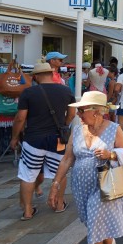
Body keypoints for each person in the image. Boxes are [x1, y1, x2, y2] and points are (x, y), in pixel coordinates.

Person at [48, 91, 123, 244]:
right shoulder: (77, 130)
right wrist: (55, 185)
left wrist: (111, 154)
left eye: (82, 110)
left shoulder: (115, 129)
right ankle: (108, 243)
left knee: (95, 217)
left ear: (97, 112)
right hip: (82, 185)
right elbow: (67, 158)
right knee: (92, 220)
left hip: (105, 183)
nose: (78, 114)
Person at [9, 63, 76, 219]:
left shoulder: (28, 93)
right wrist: (63, 126)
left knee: (28, 175)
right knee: (60, 173)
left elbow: (20, 118)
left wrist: (14, 137)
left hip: (33, 139)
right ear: (51, 74)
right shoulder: (66, 91)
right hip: (57, 139)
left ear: (36, 76)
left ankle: (27, 210)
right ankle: (59, 204)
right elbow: (72, 114)